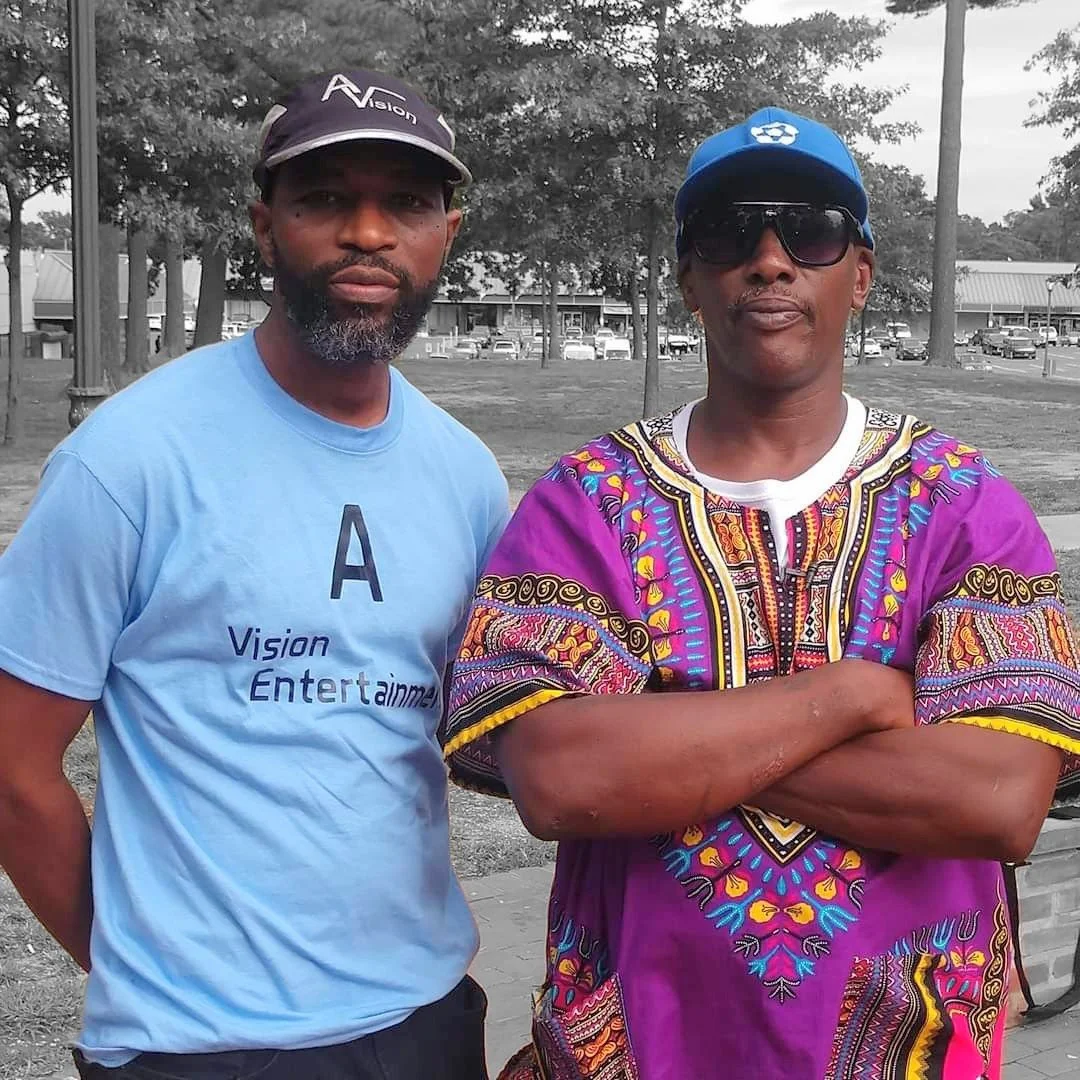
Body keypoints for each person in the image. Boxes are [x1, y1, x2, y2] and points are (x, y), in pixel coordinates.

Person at [443, 107, 1080, 1079]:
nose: (771, 259)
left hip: (910, 1050)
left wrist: (660, 735)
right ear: (688, 279)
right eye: (729, 230)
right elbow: (563, 781)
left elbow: (996, 801)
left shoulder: (963, 504)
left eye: (812, 229)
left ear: (859, 275)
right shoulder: (587, 504)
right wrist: (856, 698)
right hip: (645, 1045)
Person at [0, 69, 507, 1079]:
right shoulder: (133, 458)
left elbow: (481, 737)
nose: (367, 232)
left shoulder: (467, 478)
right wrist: (138, 966)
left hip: (423, 1020)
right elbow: (12, 766)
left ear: (446, 231)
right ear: (264, 226)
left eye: (403, 203)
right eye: (325, 199)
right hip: (200, 1046)